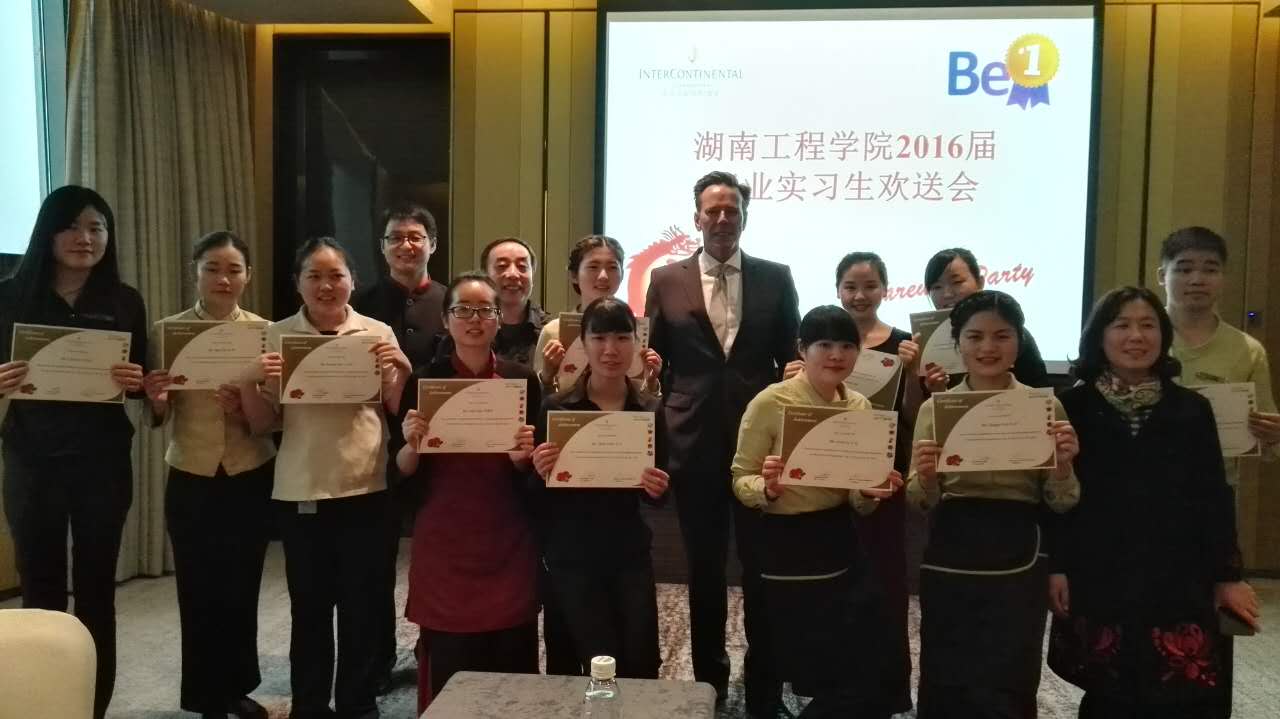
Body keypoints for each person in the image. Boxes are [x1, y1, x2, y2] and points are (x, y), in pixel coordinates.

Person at [1047, 286, 1260, 718]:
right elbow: (1055, 498)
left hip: (1178, 572)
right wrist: (1057, 566)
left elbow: (1213, 497)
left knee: (1180, 688)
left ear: (1163, 335)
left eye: (1148, 325)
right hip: (1098, 570)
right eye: (1121, 325)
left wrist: (1228, 575)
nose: (1136, 336)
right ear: (1099, 336)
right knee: (1108, 692)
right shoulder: (1069, 407)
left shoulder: (1192, 408)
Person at [644, 170, 800, 715]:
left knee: (763, 572)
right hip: (693, 443)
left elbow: (791, 358)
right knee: (704, 572)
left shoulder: (776, 278)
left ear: (744, 217)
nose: (722, 218)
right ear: (696, 218)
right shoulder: (666, 279)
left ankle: (765, 691)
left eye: (732, 209)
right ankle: (708, 683)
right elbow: (654, 363)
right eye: (712, 210)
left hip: (761, 447)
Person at [238, 237, 411, 719]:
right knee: (309, 609)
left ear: (353, 281)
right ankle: (310, 705)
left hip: (366, 486)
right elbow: (261, 423)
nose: (326, 285)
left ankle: (358, 703)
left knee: (362, 605)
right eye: (313, 276)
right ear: (297, 283)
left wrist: (401, 370)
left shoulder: (376, 332)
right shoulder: (276, 336)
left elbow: (395, 409)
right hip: (302, 487)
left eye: (336, 275)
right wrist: (249, 379)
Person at [0, 185, 147, 719]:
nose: (85, 238)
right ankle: (45, 703)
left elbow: (141, 382)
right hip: (31, 461)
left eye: (97, 227)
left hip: (102, 464)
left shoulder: (124, 300)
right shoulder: (8, 296)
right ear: (48, 231)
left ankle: (93, 706)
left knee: (96, 589)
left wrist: (136, 381)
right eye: (72, 226)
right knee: (40, 588)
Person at [908, 290, 1080, 718]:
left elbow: (1062, 502)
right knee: (946, 667)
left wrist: (1062, 466)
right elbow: (919, 501)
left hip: (1019, 552)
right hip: (951, 550)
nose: (988, 347)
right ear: (957, 342)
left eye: (1002, 336)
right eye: (975, 336)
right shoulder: (935, 410)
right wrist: (926, 477)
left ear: (1019, 342)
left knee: (1011, 671)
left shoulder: (1045, 407)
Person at [731, 305, 904, 718]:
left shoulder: (860, 407)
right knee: (773, 646)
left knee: (859, 653)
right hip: (782, 541)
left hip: (837, 537)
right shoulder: (770, 401)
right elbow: (740, 478)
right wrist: (766, 488)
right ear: (802, 349)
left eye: (847, 345)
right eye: (824, 344)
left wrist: (871, 491)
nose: (836, 355)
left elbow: (858, 499)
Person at [394, 272, 541, 714]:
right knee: (451, 672)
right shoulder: (425, 382)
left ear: (498, 318)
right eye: (463, 310)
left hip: (507, 540)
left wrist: (523, 459)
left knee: (511, 669)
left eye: (485, 311)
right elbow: (400, 469)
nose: (474, 320)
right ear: (446, 319)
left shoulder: (522, 381)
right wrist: (412, 445)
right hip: (446, 542)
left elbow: (537, 473)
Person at [142, 231, 275, 719]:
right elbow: (158, 414)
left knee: (242, 585)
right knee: (197, 589)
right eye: (212, 268)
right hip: (191, 473)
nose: (223, 278)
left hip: (249, 470)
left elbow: (275, 414)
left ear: (247, 276)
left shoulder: (267, 333)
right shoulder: (167, 332)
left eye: (234, 269)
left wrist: (246, 406)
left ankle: (237, 687)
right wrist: (158, 402)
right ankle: (205, 696)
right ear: (195, 272)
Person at [784, 252, 922, 713]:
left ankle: (884, 689)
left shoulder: (904, 346)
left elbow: (912, 417)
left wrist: (914, 375)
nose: (860, 295)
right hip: (824, 483)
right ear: (838, 290)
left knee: (884, 584)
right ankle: (830, 687)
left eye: (869, 286)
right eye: (850, 286)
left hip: (879, 479)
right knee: (834, 591)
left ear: (885, 288)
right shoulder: (818, 347)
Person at [530, 296, 669, 679]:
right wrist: (539, 471)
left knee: (639, 659)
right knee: (573, 660)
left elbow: (658, 495)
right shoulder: (557, 409)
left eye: (622, 338)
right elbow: (536, 497)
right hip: (571, 555)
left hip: (628, 552)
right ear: (584, 343)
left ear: (636, 343)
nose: (611, 349)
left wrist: (658, 488)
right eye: (599, 337)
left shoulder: (649, 410)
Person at [351, 203, 448, 692]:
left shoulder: (452, 303)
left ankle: (438, 653)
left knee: (440, 558)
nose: (406, 246)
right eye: (395, 237)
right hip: (375, 450)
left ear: (433, 244)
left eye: (415, 237)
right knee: (374, 563)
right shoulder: (358, 306)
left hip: (442, 451)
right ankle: (376, 662)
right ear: (382, 247)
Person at [1157, 226, 1280, 485]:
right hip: (1137, 486)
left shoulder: (1247, 350)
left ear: (1223, 277)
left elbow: (1269, 441)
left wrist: (1273, 435)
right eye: (1184, 269)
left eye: (1210, 270)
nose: (1197, 280)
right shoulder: (1135, 340)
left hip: (1212, 489)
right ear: (1162, 276)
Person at [533, 234, 662, 394]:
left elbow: (644, 399)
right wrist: (546, 376)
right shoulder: (553, 331)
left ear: (622, 274)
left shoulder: (636, 331)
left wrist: (651, 384)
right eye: (593, 267)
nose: (603, 276)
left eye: (612, 267)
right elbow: (538, 398)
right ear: (574, 275)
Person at [922, 247, 1049, 389]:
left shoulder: (1013, 334)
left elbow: (1039, 392)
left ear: (980, 282)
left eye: (957, 282)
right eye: (936, 287)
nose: (947, 294)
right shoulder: (925, 343)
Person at [481, 237, 549, 367]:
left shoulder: (551, 332)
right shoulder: (469, 328)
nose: (513, 274)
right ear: (485, 276)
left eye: (522, 267)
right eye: (502, 266)